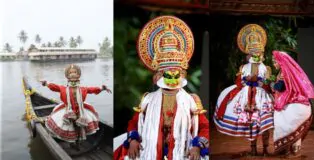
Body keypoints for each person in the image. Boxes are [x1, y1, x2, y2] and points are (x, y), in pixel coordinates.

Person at [114, 16, 209, 160]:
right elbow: (134, 123)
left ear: (182, 74)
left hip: (183, 149)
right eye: (167, 75)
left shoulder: (191, 100)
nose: (172, 80)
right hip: (150, 147)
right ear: (158, 76)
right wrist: (133, 140)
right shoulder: (148, 99)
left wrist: (197, 146)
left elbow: (204, 127)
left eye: (176, 74)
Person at [214, 24, 274, 156]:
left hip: (261, 96)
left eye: (258, 53)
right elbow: (239, 82)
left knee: (264, 124)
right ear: (248, 53)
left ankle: (265, 149)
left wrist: (261, 81)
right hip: (246, 96)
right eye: (253, 53)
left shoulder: (266, 68)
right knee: (251, 123)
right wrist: (247, 79)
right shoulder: (243, 67)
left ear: (262, 53)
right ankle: (253, 148)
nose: (255, 55)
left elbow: (268, 84)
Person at [40, 64, 112, 146]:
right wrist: (46, 83)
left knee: (81, 127)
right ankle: (72, 142)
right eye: (70, 73)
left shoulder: (83, 89)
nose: (73, 74)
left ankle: (78, 142)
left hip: (81, 111)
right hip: (68, 111)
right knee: (69, 126)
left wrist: (102, 89)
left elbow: (92, 89)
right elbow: (54, 87)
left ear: (78, 75)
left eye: (75, 72)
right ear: (67, 75)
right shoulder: (63, 89)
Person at [271, 50, 314, 158]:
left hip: (292, 101)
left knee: (282, 122)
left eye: (275, 62)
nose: (273, 64)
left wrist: (272, 85)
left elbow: (280, 87)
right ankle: (292, 150)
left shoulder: (284, 72)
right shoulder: (287, 71)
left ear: (281, 62)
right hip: (295, 100)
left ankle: (291, 151)